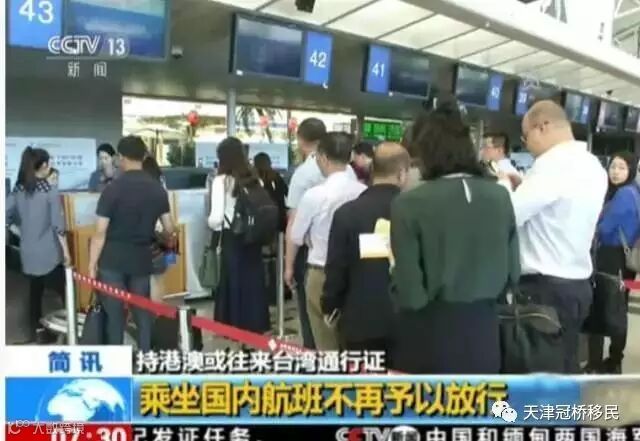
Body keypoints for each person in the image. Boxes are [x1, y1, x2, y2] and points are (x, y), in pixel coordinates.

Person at [390, 102, 520, 374]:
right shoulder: (500, 196)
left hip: (431, 335)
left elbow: (411, 294)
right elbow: (513, 273)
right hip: (485, 332)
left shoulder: (409, 203)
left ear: (426, 152)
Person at [511, 100, 608, 373]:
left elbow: (510, 214)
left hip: (544, 290)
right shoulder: (593, 165)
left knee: (539, 372)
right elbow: (558, 209)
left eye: (526, 137)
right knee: (564, 366)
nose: (527, 146)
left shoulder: (552, 164)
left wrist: (505, 186)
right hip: (577, 286)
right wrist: (525, 186)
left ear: (542, 127)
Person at [88, 137, 176, 351]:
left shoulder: (112, 189)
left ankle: (116, 361)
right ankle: (145, 356)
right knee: (142, 312)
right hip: (141, 259)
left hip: (112, 261)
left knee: (114, 316)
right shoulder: (157, 189)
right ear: (143, 157)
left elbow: (100, 233)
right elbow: (169, 227)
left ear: (121, 158)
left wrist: (91, 264)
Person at [322, 142, 410, 354]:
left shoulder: (347, 213)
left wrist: (330, 306)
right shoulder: (416, 214)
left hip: (359, 322)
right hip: (407, 324)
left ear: (372, 171)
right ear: (401, 174)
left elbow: (336, 268)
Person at [285, 132, 367, 350]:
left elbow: (296, 235)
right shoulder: (363, 192)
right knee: (351, 339)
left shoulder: (314, 195)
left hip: (321, 272)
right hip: (357, 273)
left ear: (322, 157)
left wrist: (292, 263)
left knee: (324, 340)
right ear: (350, 156)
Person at [6, 147, 71, 343]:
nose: (51, 166)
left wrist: (19, 231)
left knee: (35, 293)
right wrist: (67, 253)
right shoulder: (49, 190)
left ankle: (38, 330)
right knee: (65, 292)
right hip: (49, 254)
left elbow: (5, 215)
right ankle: (67, 331)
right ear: (42, 166)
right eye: (49, 163)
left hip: (28, 253)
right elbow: (58, 225)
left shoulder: (18, 190)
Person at [208, 137, 270, 334]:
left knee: (233, 281)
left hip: (232, 237)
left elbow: (216, 218)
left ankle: (234, 325)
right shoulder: (255, 179)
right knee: (252, 281)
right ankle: (255, 323)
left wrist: (210, 224)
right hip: (252, 237)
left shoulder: (221, 181)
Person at [587, 151, 640, 373]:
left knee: (601, 308)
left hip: (611, 257)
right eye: (613, 166)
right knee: (619, 308)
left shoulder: (624, 195)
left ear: (631, 170)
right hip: (624, 261)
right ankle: (614, 359)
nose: (615, 172)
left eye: (622, 167)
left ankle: (598, 362)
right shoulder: (633, 192)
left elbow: (606, 228)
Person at [285, 118, 327, 349]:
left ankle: (313, 360)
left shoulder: (303, 174)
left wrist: (288, 265)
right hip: (341, 251)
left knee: (309, 315)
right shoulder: (347, 170)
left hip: (309, 254)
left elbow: (293, 223)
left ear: (301, 140)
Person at [142, 156, 169, 303]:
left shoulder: (140, 190)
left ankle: (149, 312)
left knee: (145, 281)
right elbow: (168, 225)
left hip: (145, 239)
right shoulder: (161, 189)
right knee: (158, 280)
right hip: (161, 239)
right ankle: (158, 312)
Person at [254, 152, 288, 232]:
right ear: (269, 163)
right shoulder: (277, 177)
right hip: (279, 217)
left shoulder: (255, 180)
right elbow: (287, 193)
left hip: (261, 219)